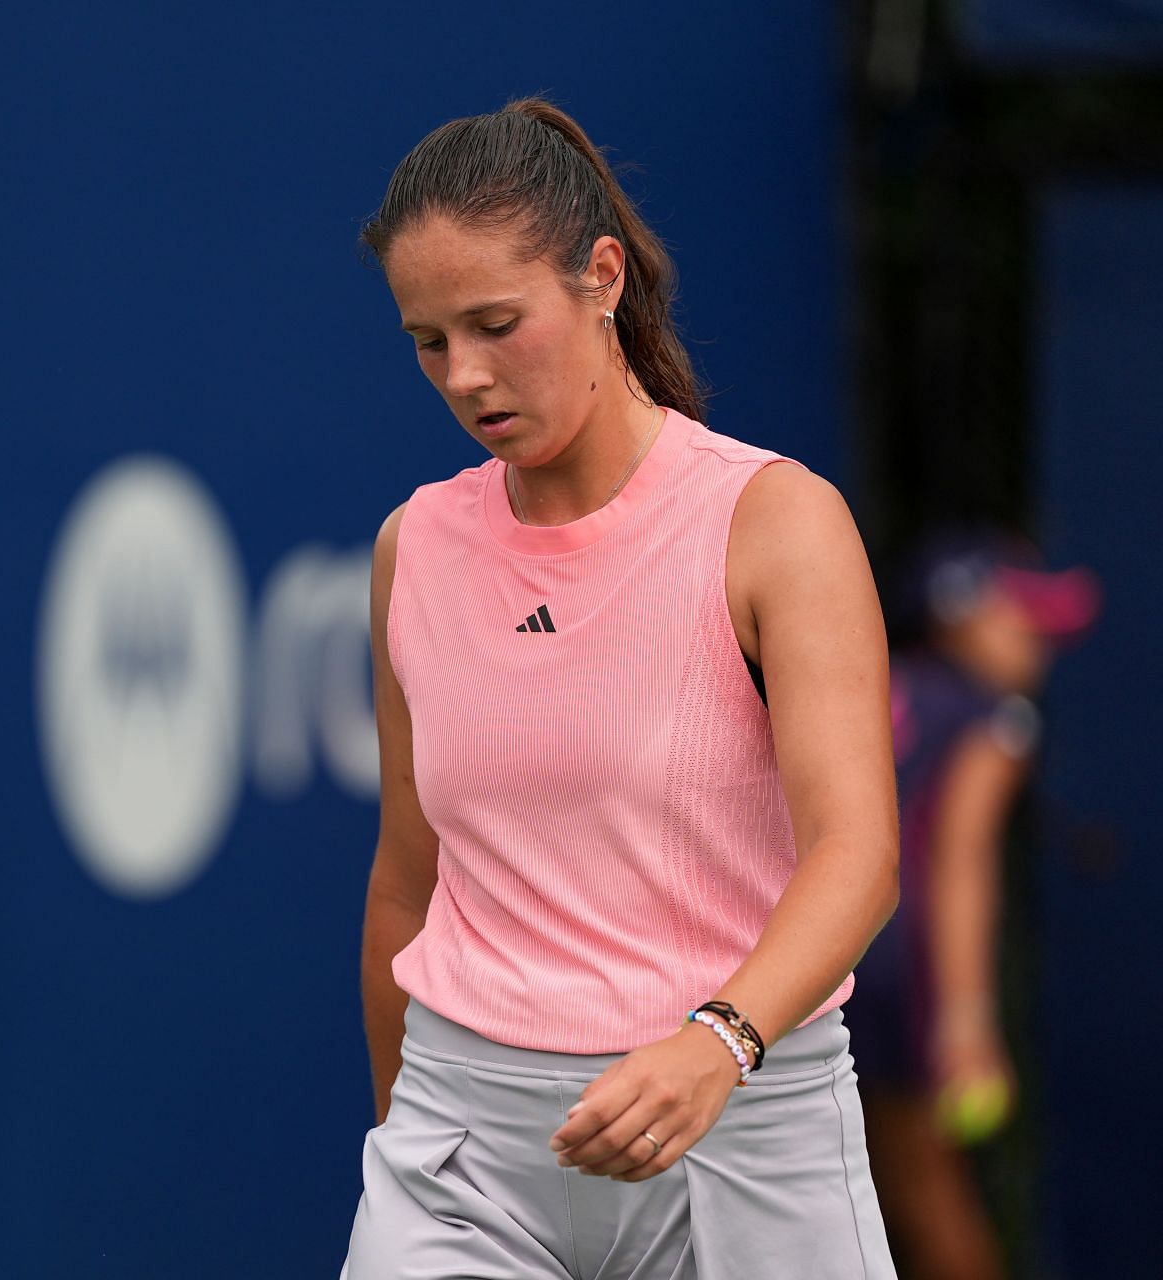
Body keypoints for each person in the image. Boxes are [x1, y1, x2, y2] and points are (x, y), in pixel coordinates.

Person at [340, 98, 901, 1279]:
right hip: (461, 1156)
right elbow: (407, 874)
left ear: (601, 278)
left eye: (497, 323)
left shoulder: (775, 520)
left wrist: (720, 1040)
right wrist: (401, 1133)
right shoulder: (414, 545)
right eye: (429, 341)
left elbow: (856, 852)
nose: (466, 375)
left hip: (743, 1128)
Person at [850, 533, 1098, 1280]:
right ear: (958, 616)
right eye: (1021, 621)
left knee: (852, 1196)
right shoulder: (997, 716)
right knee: (929, 1198)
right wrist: (965, 1021)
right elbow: (961, 866)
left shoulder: (877, 682)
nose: (1040, 643)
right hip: (900, 979)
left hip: (816, 963)